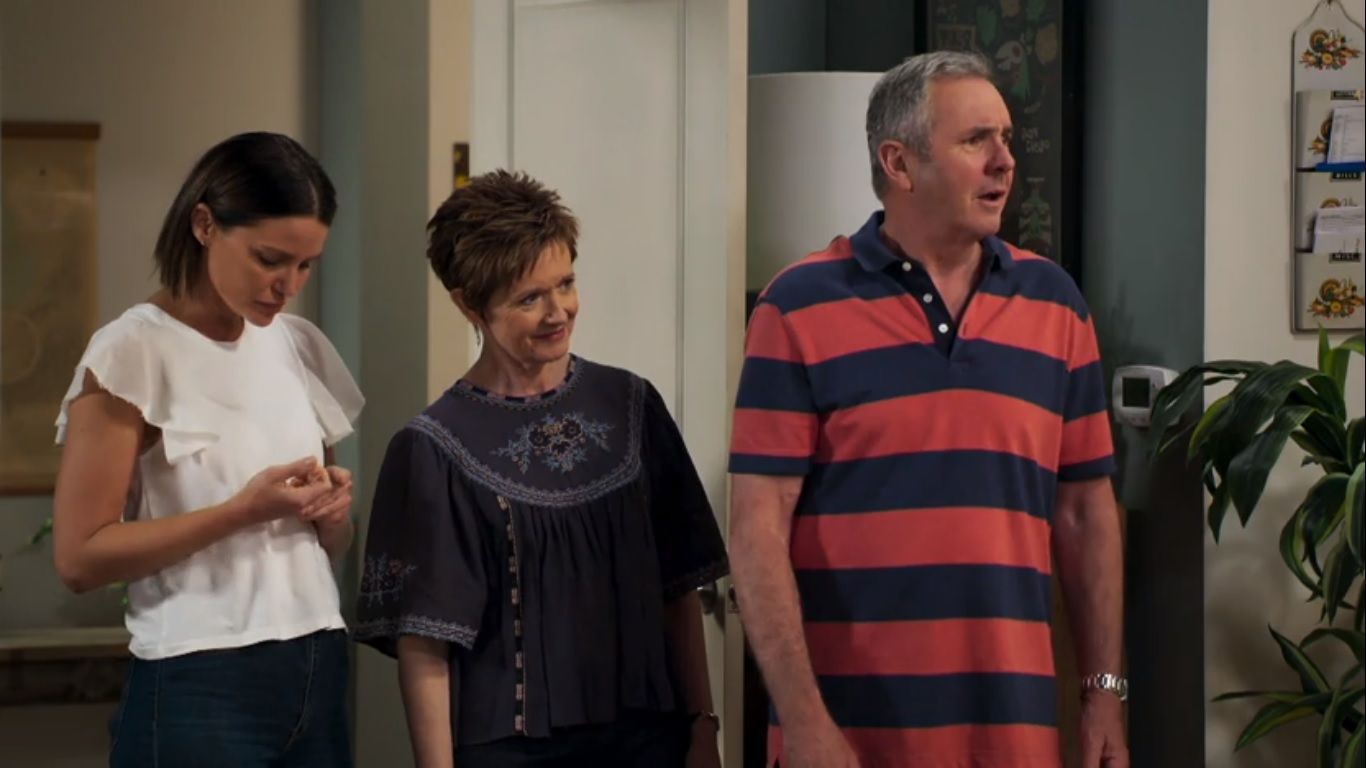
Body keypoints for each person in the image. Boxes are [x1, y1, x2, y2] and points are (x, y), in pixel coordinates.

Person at [727, 52, 1129, 768]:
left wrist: (1105, 694)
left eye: (1006, 138)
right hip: (845, 738)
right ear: (900, 163)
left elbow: (1085, 515)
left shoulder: (1056, 304)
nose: (1005, 161)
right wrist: (804, 722)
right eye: (977, 140)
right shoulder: (796, 307)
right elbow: (758, 532)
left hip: (1014, 735)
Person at [354, 169, 729, 768]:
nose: (559, 312)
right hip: (507, 754)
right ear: (469, 304)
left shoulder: (632, 406)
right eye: (529, 298)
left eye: (566, 283)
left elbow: (679, 587)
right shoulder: (432, 448)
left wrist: (703, 727)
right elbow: (425, 646)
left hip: (650, 745)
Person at [51, 132, 363, 768]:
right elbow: (79, 558)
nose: (288, 285)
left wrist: (332, 516)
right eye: (270, 259)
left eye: (306, 266)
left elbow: (328, 545)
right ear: (204, 225)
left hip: (319, 660)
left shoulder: (295, 345)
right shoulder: (132, 350)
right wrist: (241, 512)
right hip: (199, 676)